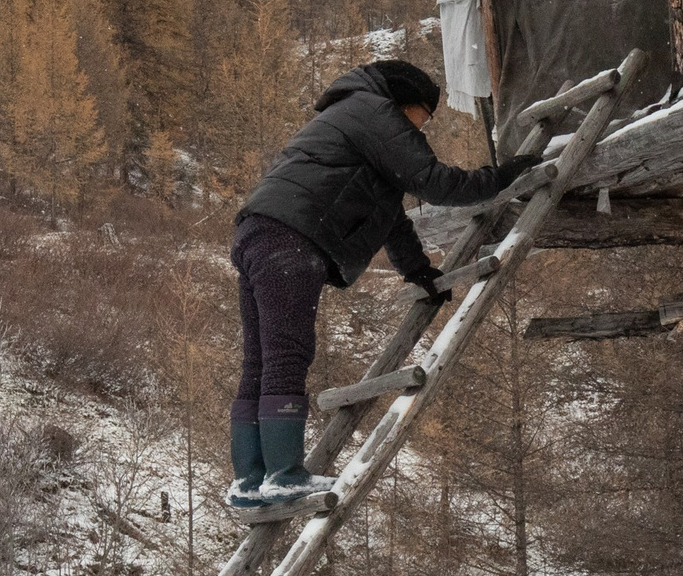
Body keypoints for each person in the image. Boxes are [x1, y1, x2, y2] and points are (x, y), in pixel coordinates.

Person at [228, 59, 540, 508]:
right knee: (286, 355)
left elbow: (389, 215)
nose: (423, 129)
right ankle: (283, 474)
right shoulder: (374, 112)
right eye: (424, 117)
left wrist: (417, 270)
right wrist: (503, 175)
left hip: (261, 230)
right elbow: (436, 184)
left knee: (259, 360)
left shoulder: (349, 118)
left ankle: (250, 482)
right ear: (405, 102)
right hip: (292, 236)